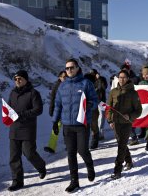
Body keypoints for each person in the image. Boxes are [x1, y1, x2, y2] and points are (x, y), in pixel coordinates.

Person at [52, 59, 98, 193]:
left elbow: (95, 100)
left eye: (72, 67)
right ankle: (74, 181)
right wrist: (55, 122)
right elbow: (58, 105)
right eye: (67, 68)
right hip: (67, 125)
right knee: (71, 153)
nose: (69, 70)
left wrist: (90, 105)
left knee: (82, 150)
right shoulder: (62, 86)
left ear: (77, 68)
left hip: (82, 124)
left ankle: (90, 166)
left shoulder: (86, 83)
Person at [7, 70, 47, 191]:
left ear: (26, 79)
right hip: (14, 129)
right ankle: (17, 181)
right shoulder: (12, 93)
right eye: (15, 79)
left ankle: (41, 166)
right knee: (14, 157)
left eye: (20, 78)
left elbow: (38, 109)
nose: (17, 81)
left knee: (29, 154)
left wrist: (22, 114)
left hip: (27, 129)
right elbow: (9, 108)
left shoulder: (33, 93)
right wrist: (7, 114)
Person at [107, 70, 142, 179]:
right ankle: (129, 161)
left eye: (124, 77)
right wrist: (110, 120)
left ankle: (117, 170)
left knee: (121, 145)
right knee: (121, 144)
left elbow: (138, 110)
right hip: (116, 123)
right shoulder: (113, 92)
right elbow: (109, 108)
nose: (121, 79)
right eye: (120, 77)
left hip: (127, 123)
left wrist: (130, 116)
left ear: (127, 79)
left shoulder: (133, 93)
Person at [44, 70, 67, 153]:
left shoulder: (70, 85)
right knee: (55, 127)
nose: (65, 78)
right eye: (63, 77)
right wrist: (51, 109)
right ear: (59, 77)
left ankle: (68, 145)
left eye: (66, 77)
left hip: (68, 110)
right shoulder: (56, 86)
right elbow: (52, 98)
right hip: (59, 110)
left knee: (67, 129)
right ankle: (51, 147)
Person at [89, 69, 108, 149]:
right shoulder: (90, 81)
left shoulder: (102, 79)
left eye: (93, 73)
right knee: (94, 117)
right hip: (93, 101)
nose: (93, 75)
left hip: (101, 100)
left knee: (102, 116)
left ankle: (101, 133)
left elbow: (104, 87)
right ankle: (95, 133)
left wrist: (99, 79)